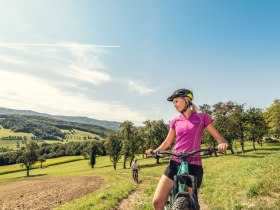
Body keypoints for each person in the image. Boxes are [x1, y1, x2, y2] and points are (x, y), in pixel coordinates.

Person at [145, 88, 228, 210]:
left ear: (187, 100)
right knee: (157, 202)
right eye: (173, 102)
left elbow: (218, 136)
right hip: (175, 162)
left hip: (194, 164)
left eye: (176, 101)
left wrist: (222, 143)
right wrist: (155, 151)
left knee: (192, 204)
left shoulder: (202, 118)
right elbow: (168, 142)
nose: (174, 104)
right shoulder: (175, 121)